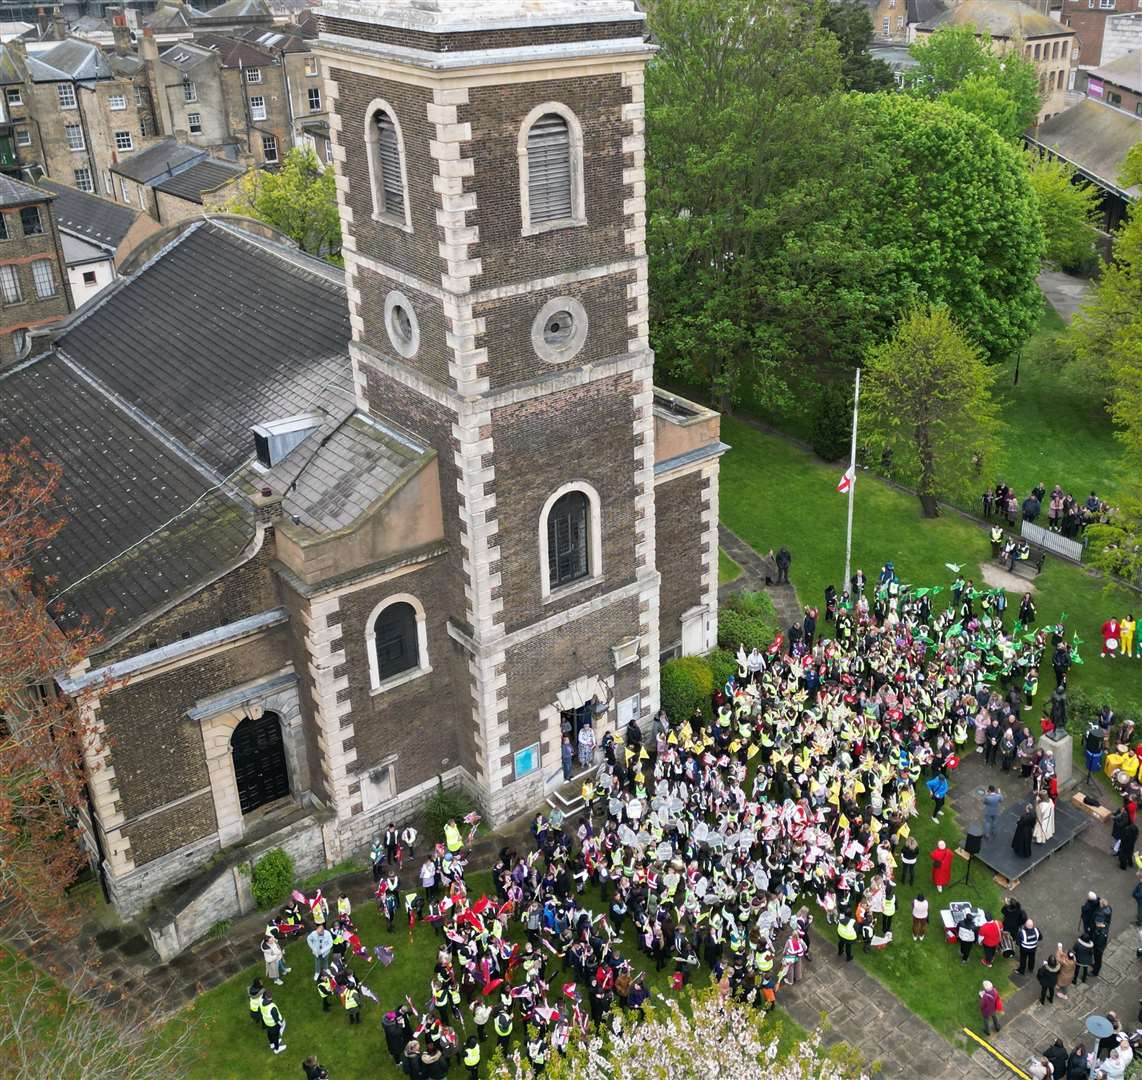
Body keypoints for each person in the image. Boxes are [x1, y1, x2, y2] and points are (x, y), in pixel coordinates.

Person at [260, 990, 286, 1055]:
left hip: (267, 1023)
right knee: (276, 1036)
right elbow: (276, 1019)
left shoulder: (261, 1002)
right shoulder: (272, 1007)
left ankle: (272, 1044)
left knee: (269, 1034)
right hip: (273, 1025)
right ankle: (277, 1049)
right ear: (271, 996)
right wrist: (282, 1024)